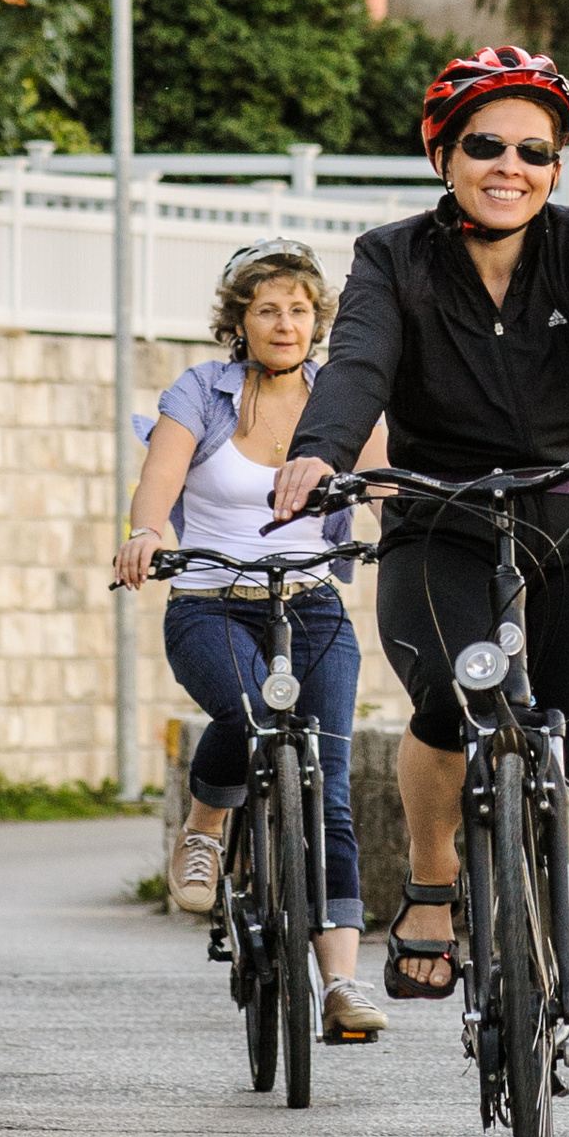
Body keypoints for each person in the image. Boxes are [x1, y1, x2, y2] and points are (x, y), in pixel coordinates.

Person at [266, 42, 569, 1137]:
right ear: (443, 152)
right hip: (438, 519)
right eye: (485, 145)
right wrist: (322, 450)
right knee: (443, 706)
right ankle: (434, 880)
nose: (510, 166)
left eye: (534, 151)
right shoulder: (391, 257)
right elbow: (360, 363)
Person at [115, 243, 388, 1043]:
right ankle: (205, 827)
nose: (285, 322)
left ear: (317, 319)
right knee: (249, 715)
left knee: (330, 788)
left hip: (311, 605)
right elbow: (159, 479)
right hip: (211, 602)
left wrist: (418, 541)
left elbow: (381, 486)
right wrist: (145, 532)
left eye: (300, 309)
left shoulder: (341, 398)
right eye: (268, 308)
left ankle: (339, 981)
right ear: (240, 319)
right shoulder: (202, 391)